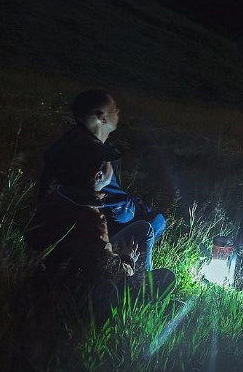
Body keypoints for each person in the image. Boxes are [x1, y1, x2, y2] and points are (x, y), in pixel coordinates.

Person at [25, 136, 175, 313]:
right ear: (98, 175)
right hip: (77, 293)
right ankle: (136, 292)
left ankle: (139, 283)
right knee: (146, 230)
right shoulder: (91, 217)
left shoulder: (58, 197)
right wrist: (127, 259)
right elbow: (106, 269)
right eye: (110, 166)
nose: (113, 170)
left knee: (144, 227)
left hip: (49, 277)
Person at [38, 90, 166, 273]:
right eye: (114, 108)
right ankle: (140, 286)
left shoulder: (67, 146)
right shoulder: (90, 158)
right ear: (102, 117)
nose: (118, 111)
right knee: (152, 224)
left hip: (61, 241)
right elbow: (106, 262)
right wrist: (127, 260)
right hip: (80, 261)